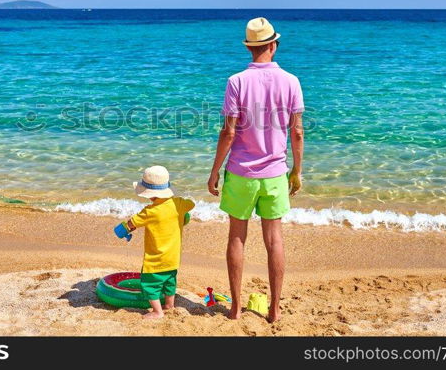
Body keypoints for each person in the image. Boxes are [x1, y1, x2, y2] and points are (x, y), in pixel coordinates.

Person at [208, 17, 305, 322]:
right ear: (273, 45)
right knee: (274, 240)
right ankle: (275, 309)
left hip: (240, 173)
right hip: (275, 173)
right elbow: (297, 132)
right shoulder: (291, 81)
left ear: (250, 48)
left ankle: (235, 307)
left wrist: (214, 172)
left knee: (237, 238)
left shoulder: (236, 81)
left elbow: (229, 133)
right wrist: (297, 170)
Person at [114, 165, 195, 319]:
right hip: (173, 259)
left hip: (155, 261)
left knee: (150, 285)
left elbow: (131, 223)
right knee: (169, 283)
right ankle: (170, 305)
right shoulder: (179, 203)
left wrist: (123, 230)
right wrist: (182, 216)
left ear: (149, 194)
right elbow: (191, 204)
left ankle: (158, 312)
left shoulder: (149, 212)